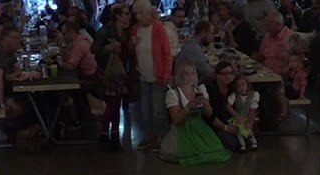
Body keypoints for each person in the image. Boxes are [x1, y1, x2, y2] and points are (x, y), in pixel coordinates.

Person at [163, 62, 231, 164]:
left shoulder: (200, 89)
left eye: (193, 73)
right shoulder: (173, 93)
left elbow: (210, 114)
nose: (190, 77)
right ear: (180, 76)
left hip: (200, 126)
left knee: (215, 151)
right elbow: (176, 120)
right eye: (187, 74)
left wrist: (205, 103)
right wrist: (189, 107)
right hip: (182, 128)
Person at [131, 0, 172, 152]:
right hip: (143, 76)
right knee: (145, 109)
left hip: (158, 76)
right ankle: (149, 136)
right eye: (136, 13)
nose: (138, 17)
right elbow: (133, 53)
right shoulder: (135, 30)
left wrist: (167, 73)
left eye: (140, 13)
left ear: (148, 13)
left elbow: (167, 53)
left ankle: (161, 137)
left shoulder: (159, 29)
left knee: (158, 109)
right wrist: (132, 44)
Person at [93, 4, 132, 149]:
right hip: (110, 72)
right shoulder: (107, 31)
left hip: (119, 71)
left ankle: (110, 135)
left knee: (116, 104)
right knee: (113, 104)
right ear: (118, 16)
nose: (129, 16)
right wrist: (108, 48)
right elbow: (94, 49)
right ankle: (108, 135)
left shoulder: (125, 32)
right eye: (126, 14)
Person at [226, 73, 259, 151]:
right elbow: (228, 106)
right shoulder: (235, 95)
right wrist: (235, 114)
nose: (241, 88)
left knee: (248, 130)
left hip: (247, 117)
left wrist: (250, 121)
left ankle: (253, 142)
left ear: (247, 84)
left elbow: (252, 110)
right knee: (238, 131)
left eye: (243, 85)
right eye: (238, 86)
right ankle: (242, 145)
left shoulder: (253, 95)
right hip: (239, 117)